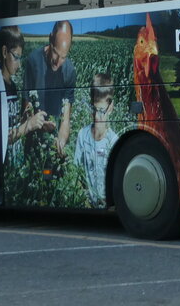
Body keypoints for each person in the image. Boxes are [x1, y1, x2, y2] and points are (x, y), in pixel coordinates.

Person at [24, 20, 76, 154]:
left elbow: (66, 118)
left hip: (54, 140)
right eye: (55, 53)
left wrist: (61, 141)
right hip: (33, 140)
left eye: (63, 57)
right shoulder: (33, 61)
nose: (58, 62)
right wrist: (38, 124)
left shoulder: (70, 71)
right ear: (50, 39)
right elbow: (26, 106)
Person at [0, 25, 48, 150]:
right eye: (16, 57)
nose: (19, 65)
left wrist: (27, 119)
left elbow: (13, 127)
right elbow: (2, 137)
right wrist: (28, 125)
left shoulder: (12, 86)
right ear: (4, 52)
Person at [73, 73, 118, 207]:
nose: (97, 116)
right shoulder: (83, 135)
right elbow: (76, 171)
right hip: (86, 204)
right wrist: (84, 200)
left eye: (102, 111)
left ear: (110, 108)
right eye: (94, 109)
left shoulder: (114, 141)